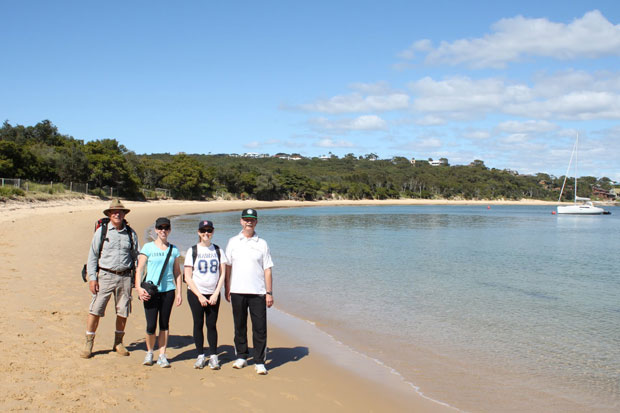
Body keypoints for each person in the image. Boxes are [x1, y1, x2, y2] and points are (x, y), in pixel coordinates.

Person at [81, 199, 139, 359]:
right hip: (105, 276)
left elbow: (136, 257)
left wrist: (138, 279)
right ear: (109, 214)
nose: (117, 214)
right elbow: (92, 255)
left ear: (124, 214)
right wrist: (93, 278)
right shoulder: (102, 231)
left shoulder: (131, 233)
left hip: (125, 277)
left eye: (120, 212)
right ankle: (89, 342)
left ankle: (118, 342)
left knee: (123, 311)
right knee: (95, 310)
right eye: (113, 212)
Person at [225, 208, 274, 375]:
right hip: (237, 290)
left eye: (252, 220)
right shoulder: (233, 242)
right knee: (239, 326)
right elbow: (228, 267)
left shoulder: (262, 243)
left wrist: (269, 292)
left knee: (259, 328)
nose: (249, 222)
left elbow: (267, 269)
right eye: (246, 219)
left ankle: (259, 361)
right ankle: (242, 356)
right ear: (241, 221)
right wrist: (227, 288)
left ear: (256, 222)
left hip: (258, 292)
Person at [135, 217, 182, 368]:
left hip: (168, 291)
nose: (163, 230)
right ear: (155, 230)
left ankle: (162, 355)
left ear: (169, 230)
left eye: (166, 228)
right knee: (150, 325)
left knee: (164, 324)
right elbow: (139, 269)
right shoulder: (148, 248)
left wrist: (179, 292)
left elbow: (177, 273)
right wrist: (139, 288)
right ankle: (149, 352)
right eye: (160, 228)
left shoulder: (173, 250)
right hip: (151, 291)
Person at [184, 220, 229, 370]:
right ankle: (200, 355)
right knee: (198, 324)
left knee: (211, 325)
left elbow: (223, 274)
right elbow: (187, 277)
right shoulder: (192, 251)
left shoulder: (218, 250)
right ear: (198, 232)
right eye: (203, 231)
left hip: (213, 294)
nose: (206, 233)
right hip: (196, 294)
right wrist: (200, 296)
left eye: (209, 230)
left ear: (213, 232)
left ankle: (214, 355)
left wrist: (216, 293)